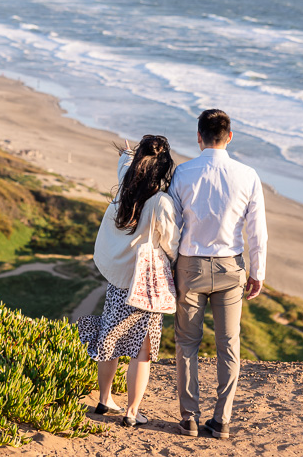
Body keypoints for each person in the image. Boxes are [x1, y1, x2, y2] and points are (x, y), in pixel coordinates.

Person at [168, 109, 267, 439]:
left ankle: (189, 417)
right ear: (229, 136)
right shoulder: (248, 175)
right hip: (230, 266)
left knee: (186, 343)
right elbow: (257, 231)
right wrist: (258, 271)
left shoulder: (182, 173)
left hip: (190, 266)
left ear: (199, 137)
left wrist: (170, 266)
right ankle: (222, 419)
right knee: (229, 345)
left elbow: (171, 228)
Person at [77, 135, 180, 428]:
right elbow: (172, 243)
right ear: (162, 170)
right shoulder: (161, 202)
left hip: (119, 279)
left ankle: (104, 399)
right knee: (142, 348)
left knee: (110, 338)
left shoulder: (125, 190)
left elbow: (125, 166)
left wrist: (126, 154)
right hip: (144, 284)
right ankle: (132, 412)